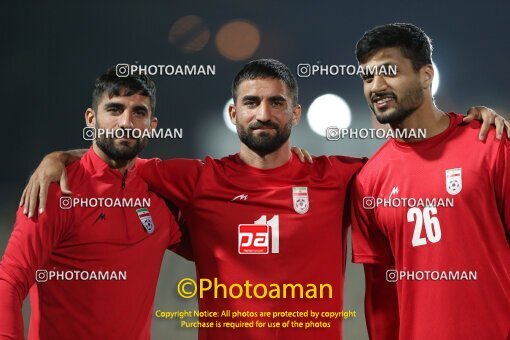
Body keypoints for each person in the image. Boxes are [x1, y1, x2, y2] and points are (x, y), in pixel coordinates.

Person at [17, 59, 507, 340]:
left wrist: (465, 122)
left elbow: (414, 158)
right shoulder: (194, 178)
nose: (263, 113)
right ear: (234, 112)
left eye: (276, 102)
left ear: (295, 112)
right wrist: (59, 156)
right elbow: (114, 155)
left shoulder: (341, 176)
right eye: (251, 102)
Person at [350, 23, 509, 340]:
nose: (376, 86)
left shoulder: (488, 145)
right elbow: (380, 294)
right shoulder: (368, 181)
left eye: (389, 72)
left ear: (426, 75)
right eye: (368, 78)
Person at [0, 67, 184, 339]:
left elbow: (216, 246)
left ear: (152, 125)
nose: (126, 122)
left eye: (139, 112)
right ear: (91, 119)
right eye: (114, 109)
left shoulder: (159, 193)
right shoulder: (55, 190)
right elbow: (10, 281)